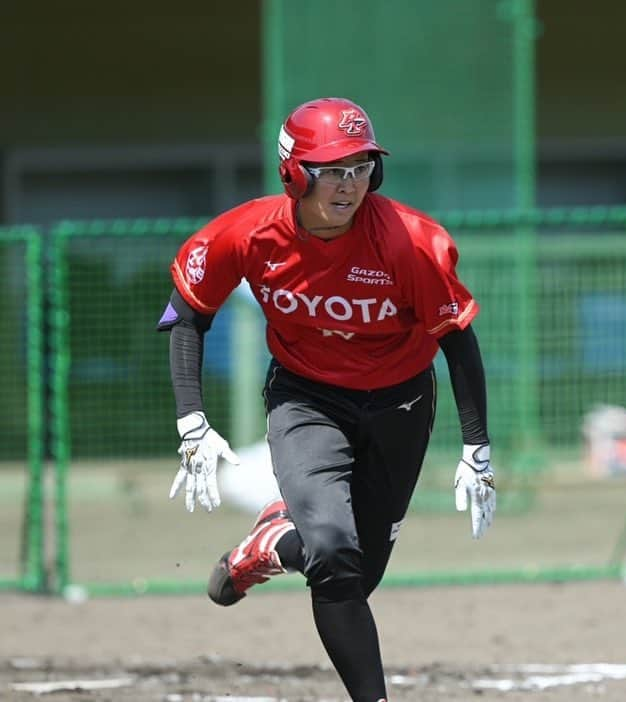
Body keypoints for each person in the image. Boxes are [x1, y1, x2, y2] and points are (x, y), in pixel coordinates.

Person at [156, 96, 496, 702]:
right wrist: (191, 420)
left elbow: (459, 342)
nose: (348, 183)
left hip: (401, 404)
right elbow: (188, 312)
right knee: (333, 557)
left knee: (354, 579)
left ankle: (269, 545)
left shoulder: (409, 242)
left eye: (361, 167)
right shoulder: (250, 233)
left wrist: (477, 448)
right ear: (294, 173)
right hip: (307, 399)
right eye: (332, 168)